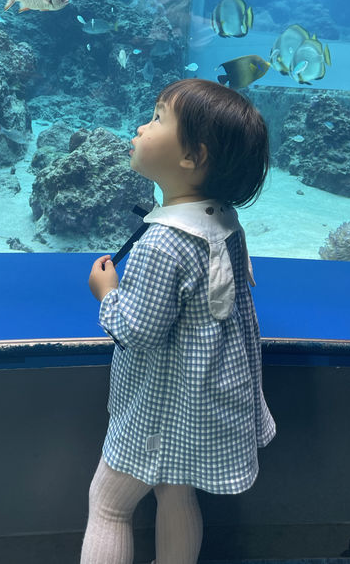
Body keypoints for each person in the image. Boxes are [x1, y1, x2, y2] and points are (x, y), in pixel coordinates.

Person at [81, 78, 276, 564]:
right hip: (197, 409)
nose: (142, 127)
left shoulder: (163, 243)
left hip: (159, 412)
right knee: (176, 493)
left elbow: (137, 331)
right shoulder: (223, 219)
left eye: (157, 118)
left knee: (108, 505)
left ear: (192, 158)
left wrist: (107, 294)